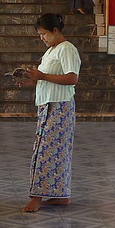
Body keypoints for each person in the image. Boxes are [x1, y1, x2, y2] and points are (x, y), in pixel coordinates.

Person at [21, 13, 79, 213]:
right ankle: (59, 195)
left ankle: (37, 197)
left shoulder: (67, 49)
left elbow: (72, 78)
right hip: (48, 106)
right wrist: (31, 80)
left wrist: (42, 75)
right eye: (39, 35)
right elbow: (47, 79)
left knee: (47, 151)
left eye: (44, 34)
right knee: (53, 152)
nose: (42, 38)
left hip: (60, 106)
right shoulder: (51, 51)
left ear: (55, 31)